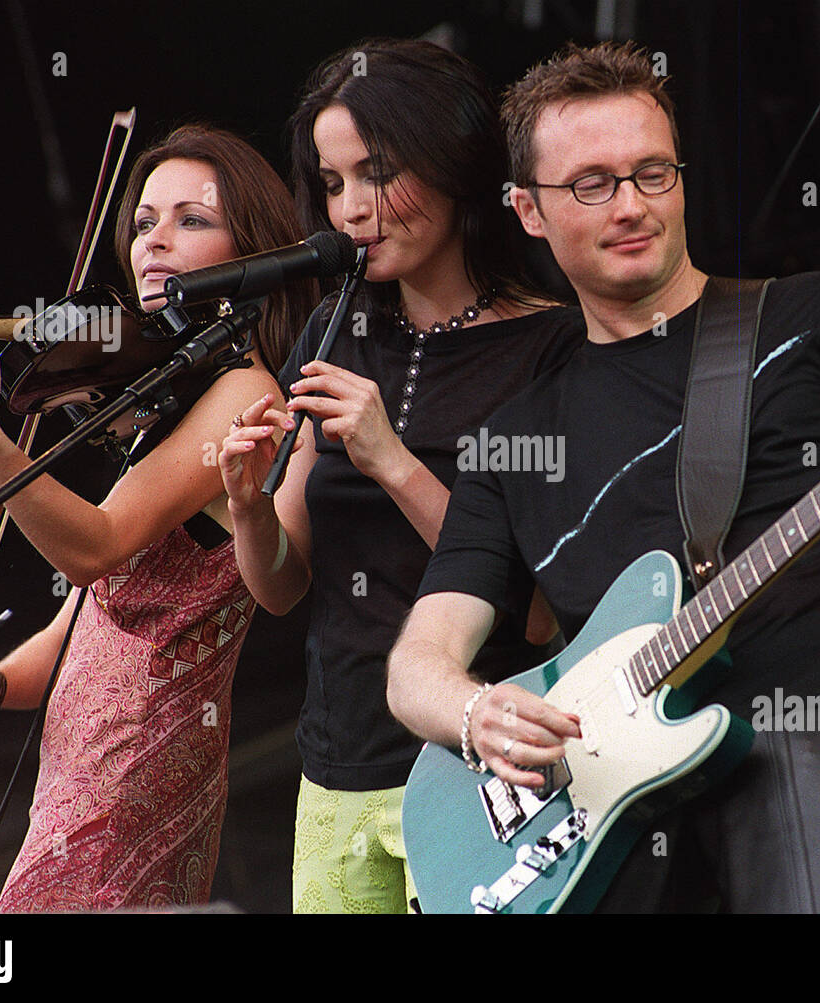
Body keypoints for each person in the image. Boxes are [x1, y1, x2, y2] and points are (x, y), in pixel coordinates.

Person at [387, 41, 820, 913]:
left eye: (654, 172)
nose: (633, 204)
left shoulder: (816, 314)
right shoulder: (515, 435)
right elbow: (417, 664)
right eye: (593, 183)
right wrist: (474, 714)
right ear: (528, 210)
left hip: (812, 724)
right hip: (609, 799)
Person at [219, 39, 581, 913]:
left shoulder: (551, 346)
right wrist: (246, 507)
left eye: (374, 172)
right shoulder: (333, 332)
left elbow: (541, 612)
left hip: (483, 770)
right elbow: (279, 589)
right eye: (332, 181)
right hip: (338, 764)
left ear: (453, 164)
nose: (349, 207)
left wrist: (391, 459)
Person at [0, 125, 317, 911]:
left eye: (190, 220)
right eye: (141, 223)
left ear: (254, 252)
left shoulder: (245, 394)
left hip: (136, 767)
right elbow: (85, 621)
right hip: (88, 773)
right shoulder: (175, 400)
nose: (154, 241)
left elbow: (93, 549)